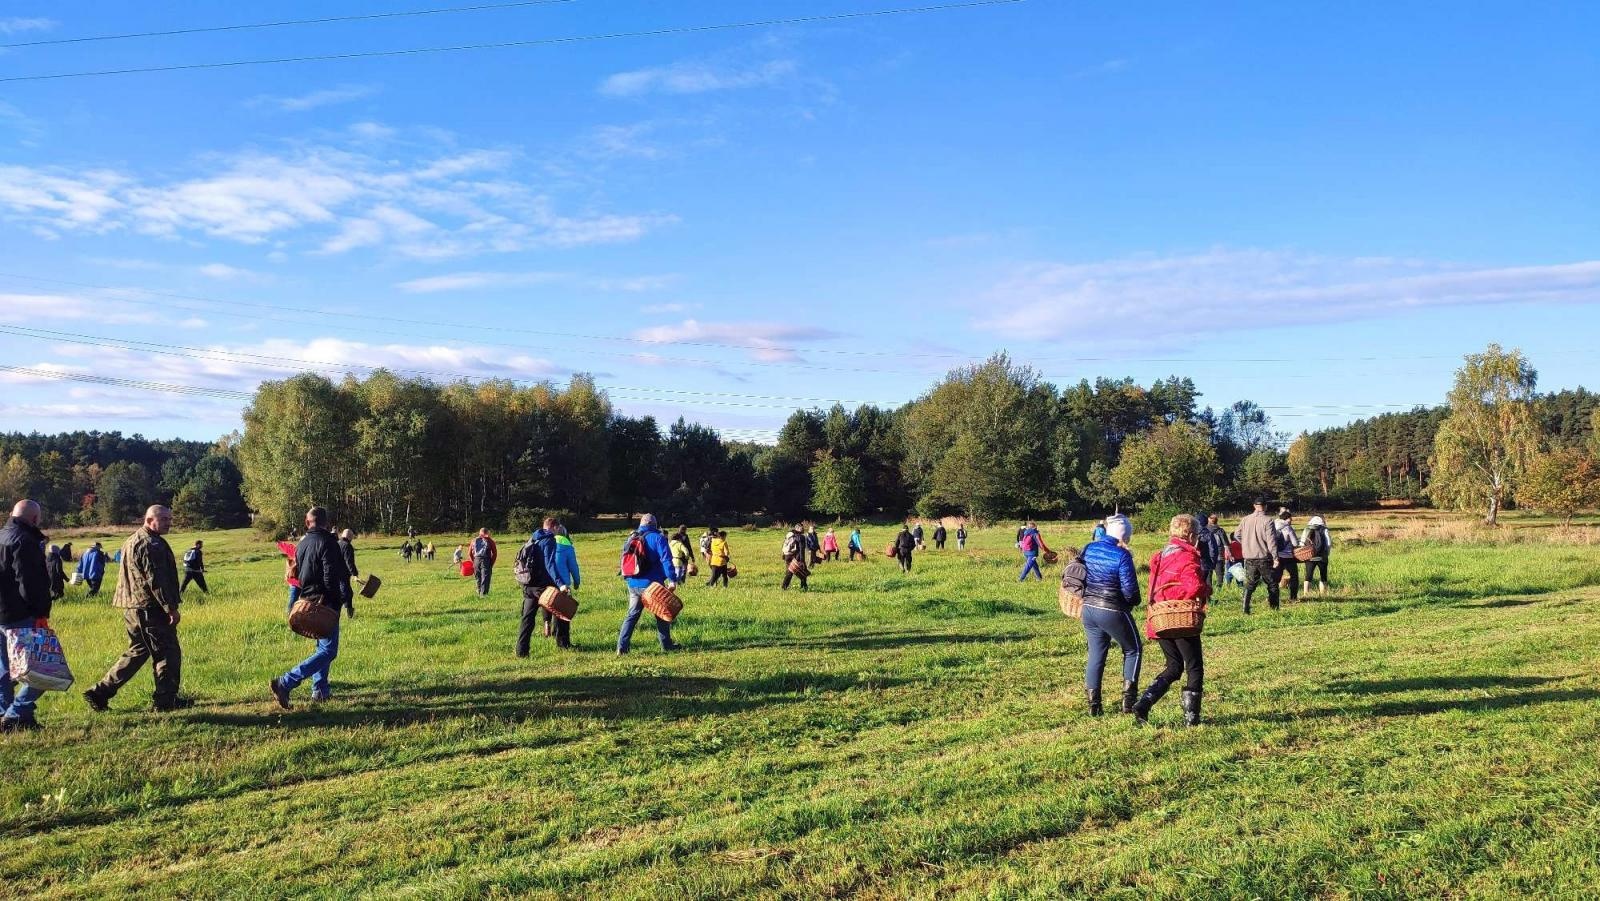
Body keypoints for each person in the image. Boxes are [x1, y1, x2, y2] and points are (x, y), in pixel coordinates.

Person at [83, 505, 190, 713]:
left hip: (132, 608)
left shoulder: (132, 540)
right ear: (150, 520)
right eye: (165, 519)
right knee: (167, 653)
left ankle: (100, 692)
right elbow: (156, 580)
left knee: (138, 652)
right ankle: (165, 700)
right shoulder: (151, 544)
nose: (170, 522)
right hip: (151, 609)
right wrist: (170, 608)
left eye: (170, 518)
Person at [270, 507, 354, 708]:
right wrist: (335, 600)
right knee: (329, 650)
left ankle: (320, 690)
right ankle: (286, 682)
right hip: (325, 603)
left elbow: (299, 575)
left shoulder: (302, 544)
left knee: (321, 646)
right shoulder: (329, 543)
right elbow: (330, 576)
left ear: (307, 523)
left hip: (306, 599)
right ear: (326, 523)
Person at [1132, 515, 1211, 727]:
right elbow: (1193, 585)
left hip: (1160, 617)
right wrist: (1206, 589)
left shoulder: (1161, 555)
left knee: (1174, 666)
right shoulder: (1187, 556)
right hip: (1180, 616)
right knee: (1194, 667)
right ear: (1191, 535)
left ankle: (1143, 704)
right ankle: (1191, 719)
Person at [1080, 514, 1141, 717]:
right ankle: (1128, 702)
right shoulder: (1122, 556)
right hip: (1112, 608)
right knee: (1134, 650)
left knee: (1096, 654)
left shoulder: (1089, 548)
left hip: (1088, 608)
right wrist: (1133, 603)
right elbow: (1130, 591)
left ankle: (1094, 706)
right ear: (1125, 535)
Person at [1, 500, 53, 731]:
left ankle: (5, 712)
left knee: (4, 669)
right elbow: (30, 583)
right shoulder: (25, 541)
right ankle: (17, 713)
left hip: (2, 613)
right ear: (34, 519)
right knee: (44, 667)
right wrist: (40, 612)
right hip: (20, 614)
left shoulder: (2, 535)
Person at [618, 514, 680, 654]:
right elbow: (666, 560)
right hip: (652, 585)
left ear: (641, 524)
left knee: (632, 615)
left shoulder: (631, 537)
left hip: (633, 583)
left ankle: (621, 648)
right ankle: (666, 646)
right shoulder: (658, 538)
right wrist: (672, 579)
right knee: (662, 615)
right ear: (655, 524)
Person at [517, 517, 569, 655]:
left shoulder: (533, 537)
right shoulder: (549, 539)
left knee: (527, 618)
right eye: (558, 528)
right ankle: (563, 644)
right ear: (555, 527)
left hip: (528, 584)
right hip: (542, 584)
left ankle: (521, 651)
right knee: (562, 609)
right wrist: (561, 584)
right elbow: (549, 564)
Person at [1237, 499, 1285, 614]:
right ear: (1266, 506)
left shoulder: (1245, 519)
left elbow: (1237, 535)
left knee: (1250, 583)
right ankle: (1274, 609)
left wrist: (1246, 544)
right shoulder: (1268, 520)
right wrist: (1275, 557)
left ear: (1254, 506)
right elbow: (1271, 541)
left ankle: (1245, 609)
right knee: (1272, 583)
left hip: (1249, 557)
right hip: (1264, 557)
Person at [1301, 515, 1332, 594]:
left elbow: (1302, 542)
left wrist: (1304, 553)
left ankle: (1306, 594)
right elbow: (1328, 543)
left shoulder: (1307, 529)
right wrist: (1327, 553)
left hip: (1310, 555)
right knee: (1323, 576)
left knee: (1308, 576)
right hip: (1322, 556)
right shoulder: (1324, 529)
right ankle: (1323, 594)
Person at [1275, 509, 1301, 603]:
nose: (1291, 521)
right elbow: (1295, 543)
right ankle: (1293, 598)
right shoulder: (1288, 528)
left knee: (1276, 578)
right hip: (1288, 556)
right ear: (1287, 519)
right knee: (1294, 576)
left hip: (1276, 556)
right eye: (1291, 519)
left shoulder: (1273, 526)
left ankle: (1273, 598)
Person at [1200, 515, 1228, 588]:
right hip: (1219, 555)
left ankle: (1209, 589)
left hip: (1207, 555)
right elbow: (1226, 544)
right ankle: (1219, 588)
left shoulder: (1204, 531)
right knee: (1220, 574)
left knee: (1209, 574)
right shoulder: (1220, 530)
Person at [781, 524, 810, 592]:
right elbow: (801, 550)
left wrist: (783, 555)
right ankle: (804, 587)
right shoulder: (801, 537)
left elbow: (784, 544)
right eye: (802, 528)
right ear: (800, 529)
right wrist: (802, 561)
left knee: (789, 571)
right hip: (796, 556)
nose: (803, 529)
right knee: (803, 572)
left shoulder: (789, 534)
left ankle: (784, 587)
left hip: (787, 556)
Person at [472, 528, 498, 596]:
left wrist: (474, 562)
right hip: (486, 560)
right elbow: (494, 553)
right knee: (485, 578)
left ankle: (478, 592)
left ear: (479, 533)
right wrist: (491, 563)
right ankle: (483, 595)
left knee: (478, 577)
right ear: (487, 533)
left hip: (476, 560)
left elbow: (469, 553)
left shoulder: (474, 540)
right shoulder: (489, 540)